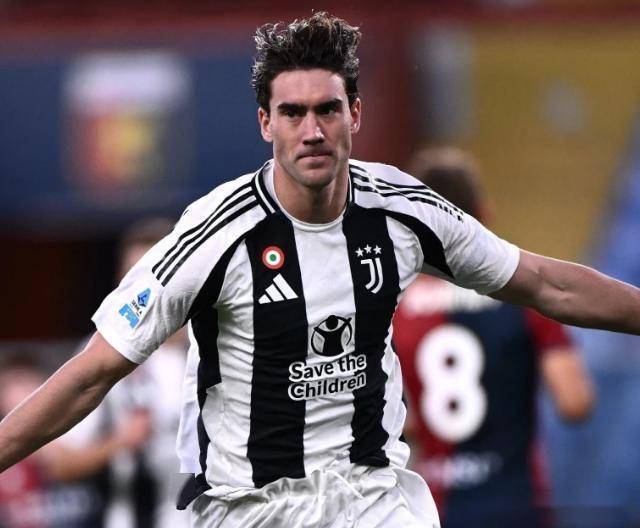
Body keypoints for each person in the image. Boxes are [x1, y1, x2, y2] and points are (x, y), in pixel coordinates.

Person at [0, 12, 639, 528]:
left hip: (372, 497)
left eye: (327, 110)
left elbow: (547, 283)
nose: (312, 130)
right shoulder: (212, 234)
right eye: (293, 113)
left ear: (354, 114)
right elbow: (94, 371)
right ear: (265, 122)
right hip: (250, 507)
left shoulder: (403, 212)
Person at [393, 147, 595, 527]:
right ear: (483, 214)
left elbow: (396, 421)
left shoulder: (395, 310)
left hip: (433, 508)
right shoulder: (526, 297)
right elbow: (574, 401)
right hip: (515, 501)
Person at [60, 218, 190, 528]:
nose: (147, 289)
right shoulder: (100, 353)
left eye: (157, 273)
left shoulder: (217, 347)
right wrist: (119, 442)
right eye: (135, 275)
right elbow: (59, 462)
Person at [0, 355, 148, 528]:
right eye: (15, 384)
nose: (24, 394)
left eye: (28, 382)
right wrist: (121, 441)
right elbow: (60, 465)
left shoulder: (75, 430)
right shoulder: (13, 444)